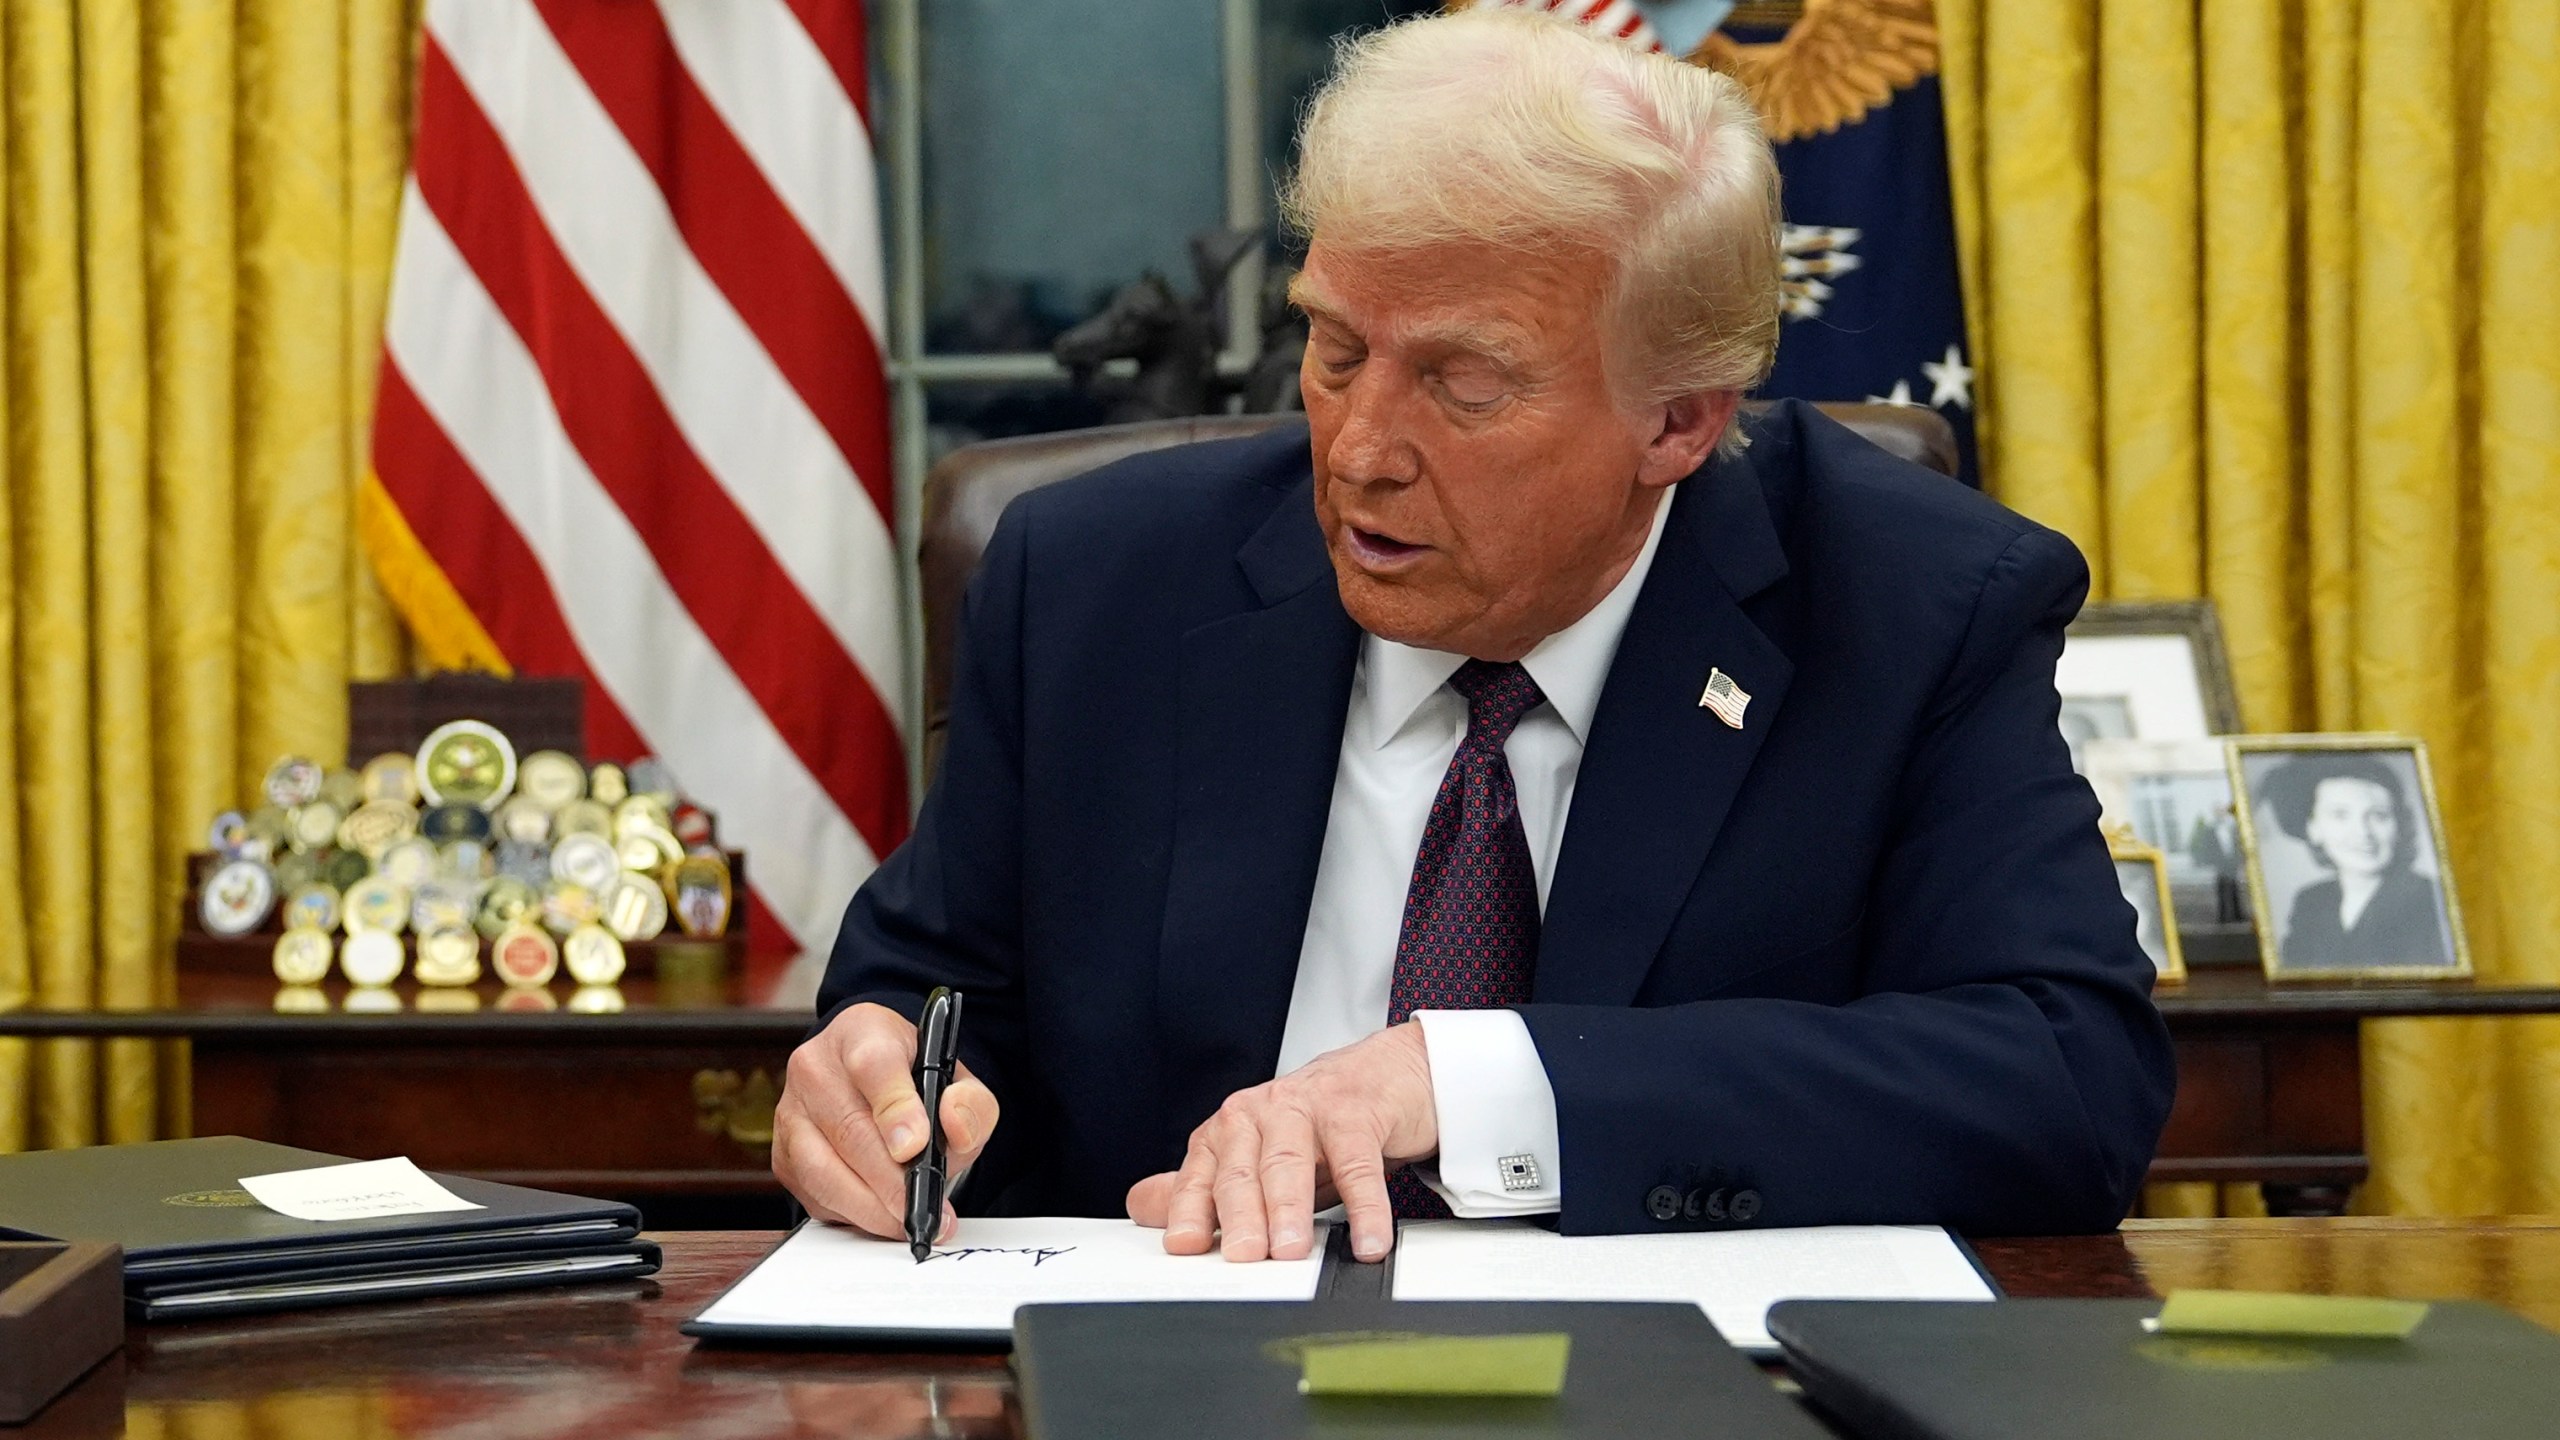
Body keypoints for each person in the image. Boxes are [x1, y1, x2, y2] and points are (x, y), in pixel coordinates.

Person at [775, 9, 2175, 1264]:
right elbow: (928, 996)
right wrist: (876, 1076)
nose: (1362, 450)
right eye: (1332, 350)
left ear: (1679, 420)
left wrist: (1472, 1084)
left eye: (1462, 382)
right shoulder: (1097, 586)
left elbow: (2063, 1082)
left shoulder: (1909, 604)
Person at [2261, 754, 2449, 970]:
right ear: (2313, 829)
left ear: (2398, 826)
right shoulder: (2311, 902)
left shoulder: (2430, 899)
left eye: (2378, 816)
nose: (2362, 833)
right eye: (2340, 815)